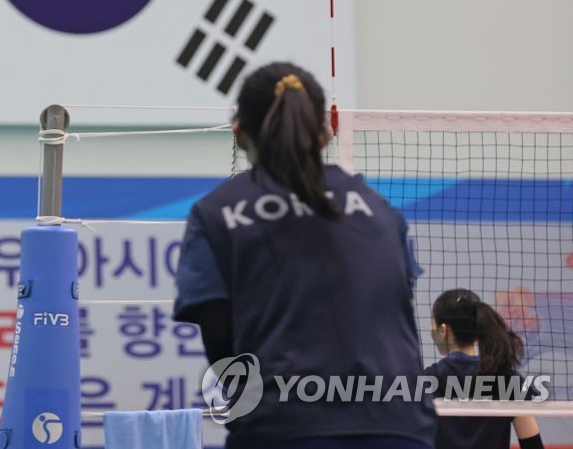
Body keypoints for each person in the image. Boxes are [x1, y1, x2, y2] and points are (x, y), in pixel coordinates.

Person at [173, 60, 436, 448]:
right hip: (401, 426)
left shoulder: (215, 215)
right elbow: (395, 315)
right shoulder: (379, 210)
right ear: (327, 133)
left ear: (238, 132)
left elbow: (222, 348)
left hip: (284, 428)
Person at [426, 288, 544, 449]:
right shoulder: (508, 380)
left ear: (443, 330)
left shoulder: (426, 381)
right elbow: (533, 445)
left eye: (432, 325)